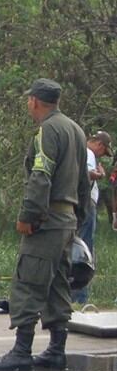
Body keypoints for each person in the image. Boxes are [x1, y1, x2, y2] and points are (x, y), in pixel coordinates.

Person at [0, 79, 90, 371]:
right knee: (58, 284)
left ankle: (21, 350)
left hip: (48, 219)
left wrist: (29, 215)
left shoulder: (48, 131)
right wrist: (78, 220)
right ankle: (57, 349)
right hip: (67, 220)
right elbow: (83, 182)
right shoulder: (77, 131)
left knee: (28, 281)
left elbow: (40, 176)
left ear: (34, 101)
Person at [73, 130, 112, 303]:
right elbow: (88, 174)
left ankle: (72, 294)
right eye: (103, 151)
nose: (102, 154)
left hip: (79, 202)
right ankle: (80, 297)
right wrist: (100, 174)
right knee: (85, 249)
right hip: (87, 203)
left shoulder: (78, 150)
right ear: (99, 145)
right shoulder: (88, 153)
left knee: (77, 246)